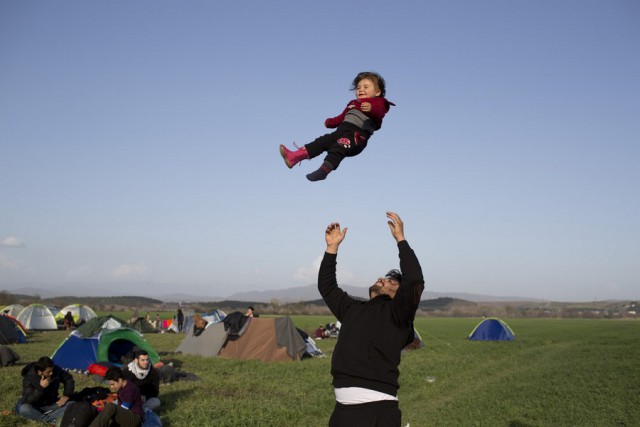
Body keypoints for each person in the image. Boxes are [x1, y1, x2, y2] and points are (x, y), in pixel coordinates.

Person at [318, 212, 424, 427]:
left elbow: (414, 280)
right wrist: (331, 249)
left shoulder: (398, 315)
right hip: (342, 411)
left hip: (375, 412)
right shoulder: (353, 309)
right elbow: (327, 287)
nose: (381, 280)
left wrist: (401, 240)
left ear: (400, 292)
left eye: (390, 281)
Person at [279, 71, 395, 181]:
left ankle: (324, 170)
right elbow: (342, 117)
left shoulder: (379, 102)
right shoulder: (353, 104)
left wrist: (371, 108)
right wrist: (330, 122)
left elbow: (380, 112)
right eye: (358, 87)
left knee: (339, 147)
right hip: (340, 131)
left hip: (356, 136)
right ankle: (294, 157)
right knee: (322, 141)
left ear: (377, 92)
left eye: (366, 87)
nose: (361, 90)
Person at [17, 356, 75, 424]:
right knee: (24, 409)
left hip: (51, 403)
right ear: (40, 372)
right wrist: (41, 388)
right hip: (34, 406)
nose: (51, 373)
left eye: (52, 371)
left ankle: (41, 416)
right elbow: (29, 400)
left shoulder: (55, 370)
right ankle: (49, 420)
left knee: (73, 404)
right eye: (48, 372)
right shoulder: (29, 377)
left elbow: (68, 379)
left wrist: (66, 395)